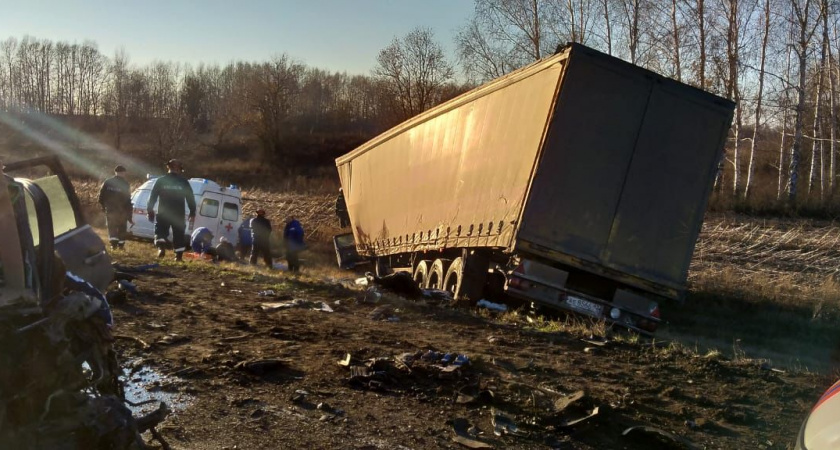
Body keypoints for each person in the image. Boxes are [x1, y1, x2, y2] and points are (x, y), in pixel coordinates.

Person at [147, 159, 196, 262]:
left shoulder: (161, 180)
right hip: (178, 213)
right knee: (179, 234)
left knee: (160, 232)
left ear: (168, 167)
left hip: (163, 212)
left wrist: (150, 209)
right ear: (179, 169)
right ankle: (178, 257)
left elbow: (153, 196)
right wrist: (192, 212)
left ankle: (161, 248)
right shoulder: (183, 182)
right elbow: (190, 198)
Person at [98, 165, 133, 250]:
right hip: (122, 210)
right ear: (124, 173)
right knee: (122, 227)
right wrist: (129, 213)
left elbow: (101, 196)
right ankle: (121, 245)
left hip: (110, 209)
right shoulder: (125, 184)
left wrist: (104, 206)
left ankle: (113, 245)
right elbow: (128, 199)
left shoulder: (108, 182)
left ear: (115, 172)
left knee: (112, 226)